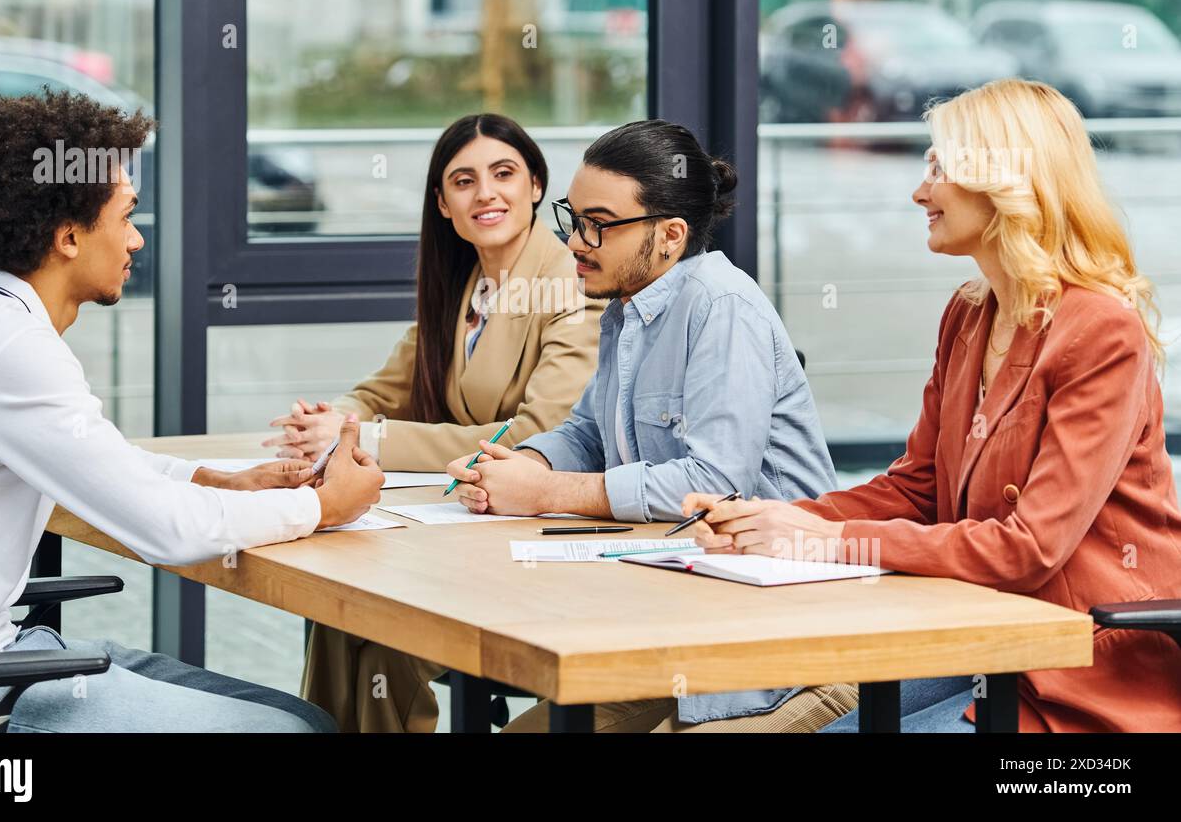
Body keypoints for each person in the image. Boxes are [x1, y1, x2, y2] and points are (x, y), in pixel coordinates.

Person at [684, 78, 1181, 732]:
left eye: (939, 169)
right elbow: (918, 485)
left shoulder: (1098, 331)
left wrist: (829, 542)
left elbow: (1029, 548)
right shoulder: (970, 314)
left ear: (1005, 182)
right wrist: (771, 520)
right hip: (988, 639)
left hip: (1082, 663)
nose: (920, 191)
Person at [0, 89, 385, 733]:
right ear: (67, 236)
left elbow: (105, 462)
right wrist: (325, 506)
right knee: (294, 732)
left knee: (297, 715)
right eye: (125, 217)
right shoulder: (11, 350)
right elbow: (165, 531)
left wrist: (214, 479)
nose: (137, 239)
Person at [440, 118, 850, 733]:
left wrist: (547, 495)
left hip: (781, 645)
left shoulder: (721, 307)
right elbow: (586, 433)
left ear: (670, 235)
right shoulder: (628, 307)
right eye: (572, 218)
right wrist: (520, 466)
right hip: (678, 630)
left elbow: (715, 483)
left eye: (597, 225)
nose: (576, 241)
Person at [290, 113, 604, 732]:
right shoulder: (464, 286)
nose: (485, 193)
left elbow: (538, 434)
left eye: (504, 173)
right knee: (336, 613)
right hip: (464, 530)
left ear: (536, 185)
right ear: (442, 203)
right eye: (463, 181)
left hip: (536, 543)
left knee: (383, 640)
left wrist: (371, 440)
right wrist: (331, 424)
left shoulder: (570, 283)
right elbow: (384, 390)